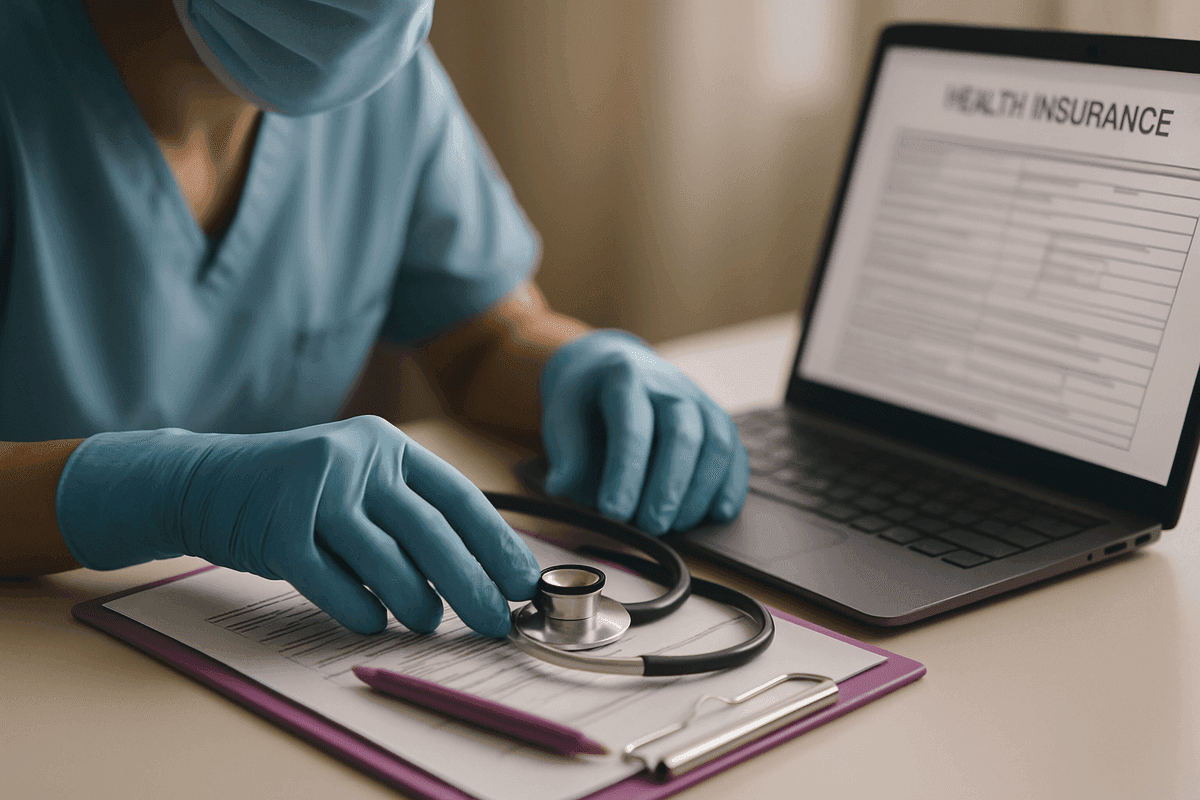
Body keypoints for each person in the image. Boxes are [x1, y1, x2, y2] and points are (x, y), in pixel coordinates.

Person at [0, 0, 748, 638]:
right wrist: (168, 493)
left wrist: (580, 368)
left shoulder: (383, 87)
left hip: (257, 644)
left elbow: (481, 336)